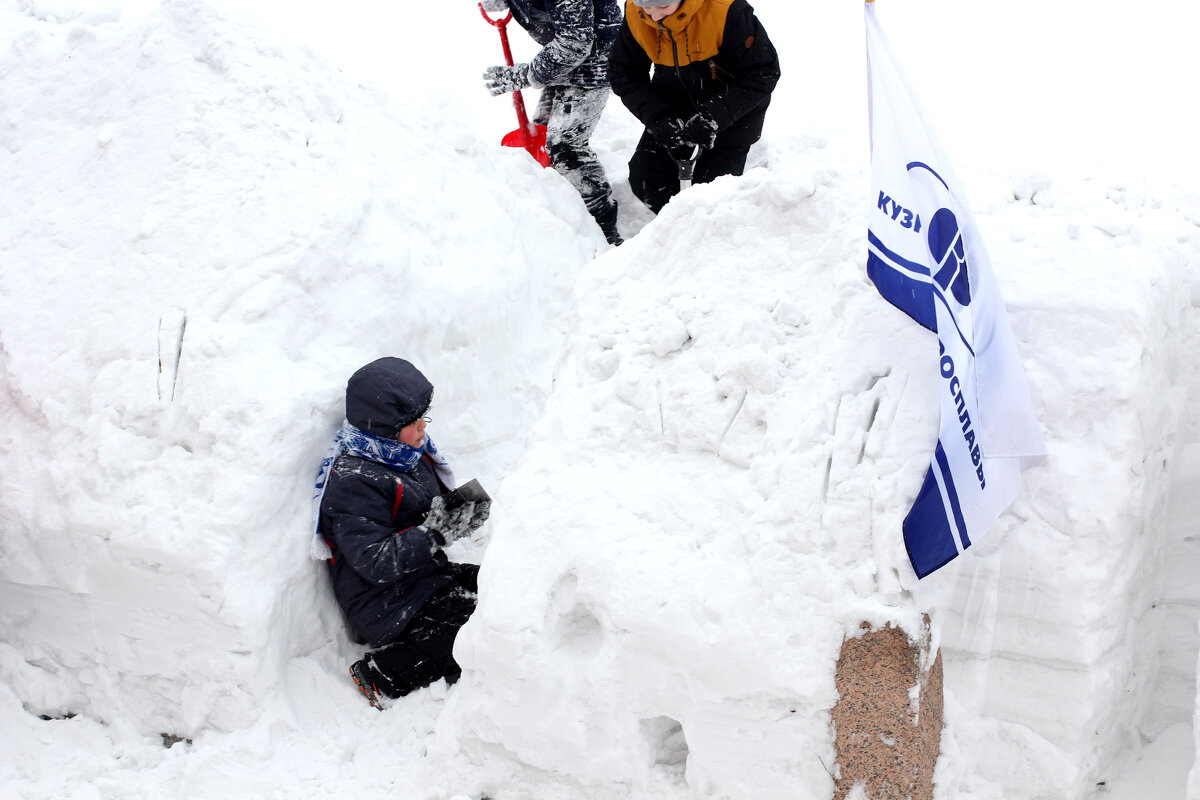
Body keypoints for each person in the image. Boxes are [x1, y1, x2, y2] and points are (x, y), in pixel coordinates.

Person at [311, 357, 489, 709]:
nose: (423, 427)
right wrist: (435, 533)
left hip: (426, 577)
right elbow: (375, 560)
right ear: (384, 426)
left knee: (499, 590)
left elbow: (418, 510)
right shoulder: (353, 482)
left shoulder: (403, 453)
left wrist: (461, 509)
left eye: (424, 416)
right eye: (413, 421)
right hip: (386, 604)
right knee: (470, 637)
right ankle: (383, 673)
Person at [607, 0, 781, 214]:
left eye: (662, 7)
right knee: (646, 180)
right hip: (672, 110)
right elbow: (624, 74)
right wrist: (658, 118)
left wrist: (713, 118)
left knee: (710, 198)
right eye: (647, 8)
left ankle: (705, 237)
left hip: (730, 113)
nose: (654, 17)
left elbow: (763, 72)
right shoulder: (636, 13)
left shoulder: (725, 10)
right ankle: (674, 230)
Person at [481, 0, 626, 246]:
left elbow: (575, 43)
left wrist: (524, 75)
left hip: (597, 58)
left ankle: (604, 232)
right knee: (544, 138)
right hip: (563, 58)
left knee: (564, 147)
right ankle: (562, 219)